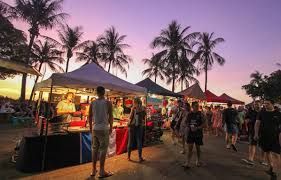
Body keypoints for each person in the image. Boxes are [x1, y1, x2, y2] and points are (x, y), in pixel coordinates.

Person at [89, 86, 113, 178]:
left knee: (94, 149)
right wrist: (111, 127)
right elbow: (110, 116)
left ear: (97, 93)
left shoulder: (93, 103)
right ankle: (102, 171)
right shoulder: (108, 103)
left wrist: (91, 128)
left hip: (95, 129)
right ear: (104, 92)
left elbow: (89, 116)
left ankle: (93, 170)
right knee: (103, 149)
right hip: (103, 129)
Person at [254, 100, 281, 178]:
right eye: (265, 104)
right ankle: (271, 168)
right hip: (264, 136)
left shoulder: (278, 114)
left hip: (275, 137)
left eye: (267, 104)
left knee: (276, 154)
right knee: (267, 152)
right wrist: (256, 134)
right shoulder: (261, 113)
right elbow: (257, 124)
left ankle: (275, 172)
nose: (265, 105)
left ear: (272, 104)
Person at [183, 101, 205, 169]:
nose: (197, 107)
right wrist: (189, 127)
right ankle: (187, 162)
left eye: (198, 106)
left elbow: (205, 124)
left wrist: (197, 128)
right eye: (196, 106)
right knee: (190, 149)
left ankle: (198, 160)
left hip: (198, 134)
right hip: (190, 134)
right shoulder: (189, 114)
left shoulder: (201, 114)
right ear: (192, 107)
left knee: (198, 148)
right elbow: (186, 122)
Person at [127, 97, 146, 162]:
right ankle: (140, 157)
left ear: (135, 102)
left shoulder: (133, 108)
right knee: (139, 141)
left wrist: (128, 123)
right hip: (139, 126)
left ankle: (128, 157)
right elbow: (144, 117)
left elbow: (130, 118)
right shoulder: (143, 108)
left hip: (132, 126)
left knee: (130, 141)